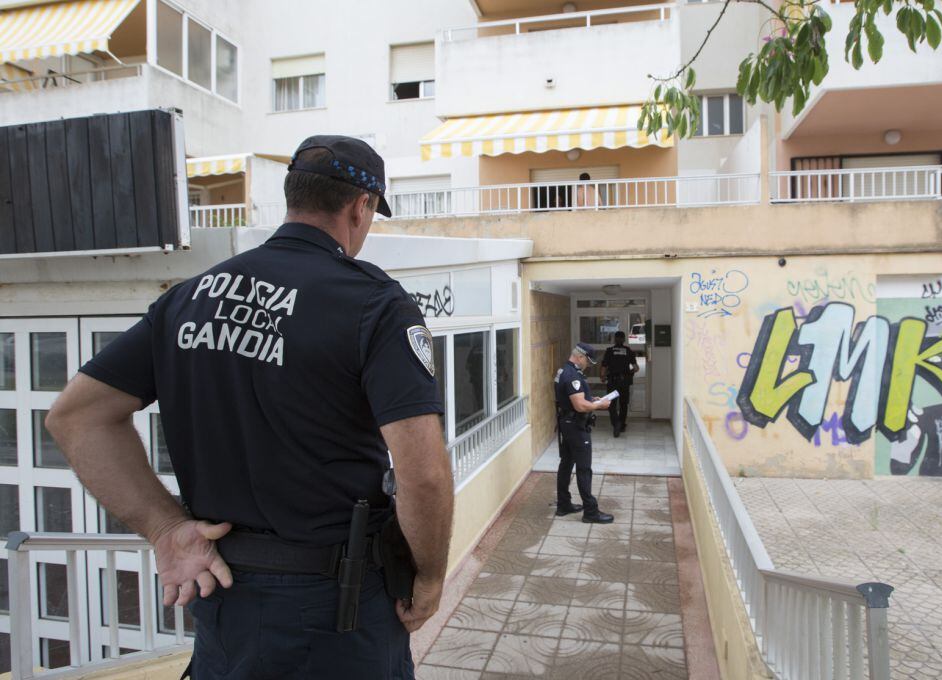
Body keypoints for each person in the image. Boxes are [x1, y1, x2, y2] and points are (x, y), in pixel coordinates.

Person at [45, 135, 454, 679]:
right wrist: (428, 577)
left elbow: (76, 415)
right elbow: (422, 473)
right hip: (337, 606)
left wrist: (166, 529)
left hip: (223, 594)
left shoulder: (190, 296)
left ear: (293, 196)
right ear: (361, 207)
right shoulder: (375, 305)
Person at [553, 343, 614, 523]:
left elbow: (575, 399)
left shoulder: (564, 370)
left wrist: (590, 399)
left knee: (566, 464)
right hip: (576, 427)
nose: (588, 364)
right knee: (584, 469)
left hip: (567, 423)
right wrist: (599, 405)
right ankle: (591, 512)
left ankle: (564, 505)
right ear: (580, 357)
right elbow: (579, 405)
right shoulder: (573, 376)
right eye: (588, 361)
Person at [600, 331, 639, 437]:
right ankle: (621, 425)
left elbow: (604, 366)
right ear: (624, 339)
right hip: (624, 382)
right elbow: (636, 368)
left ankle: (616, 423)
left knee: (611, 404)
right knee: (623, 404)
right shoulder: (628, 351)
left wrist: (603, 377)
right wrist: (629, 372)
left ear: (615, 339)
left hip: (612, 382)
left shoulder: (609, 351)